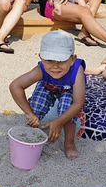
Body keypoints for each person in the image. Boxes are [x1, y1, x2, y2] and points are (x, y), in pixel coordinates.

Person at [9, 30, 86, 160]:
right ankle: (32, 136)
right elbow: (15, 86)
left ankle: (69, 143)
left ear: (72, 59)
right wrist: (30, 113)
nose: (55, 66)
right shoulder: (41, 69)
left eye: (61, 61)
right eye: (49, 60)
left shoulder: (77, 70)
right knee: (35, 108)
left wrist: (59, 121)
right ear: (41, 57)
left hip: (69, 89)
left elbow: (78, 103)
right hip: (48, 86)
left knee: (67, 108)